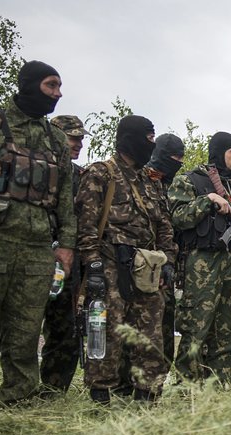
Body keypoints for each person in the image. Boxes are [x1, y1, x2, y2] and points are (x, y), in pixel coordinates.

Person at [0, 60, 75, 413]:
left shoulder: (55, 139)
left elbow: (64, 198)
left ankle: (18, 401)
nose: (58, 94)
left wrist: (66, 244)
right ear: (30, 85)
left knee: (24, 332)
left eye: (59, 87)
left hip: (37, 248)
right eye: (52, 86)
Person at [76, 115, 176, 404]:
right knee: (106, 334)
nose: (152, 144)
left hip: (146, 268)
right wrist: (92, 266)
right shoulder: (101, 173)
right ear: (130, 138)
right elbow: (86, 225)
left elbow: (164, 225)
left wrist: (168, 261)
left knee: (150, 337)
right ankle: (102, 398)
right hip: (108, 264)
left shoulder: (151, 181)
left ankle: (147, 397)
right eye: (148, 138)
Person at [168, 132, 231, 383]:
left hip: (230, 263)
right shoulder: (188, 180)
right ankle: (186, 387)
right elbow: (177, 217)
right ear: (219, 152)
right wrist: (208, 200)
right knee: (196, 327)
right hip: (201, 264)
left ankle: (224, 385)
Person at [39, 114, 90, 394]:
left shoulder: (80, 176)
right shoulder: (41, 168)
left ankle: (53, 390)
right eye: (73, 138)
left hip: (69, 263)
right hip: (35, 253)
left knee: (67, 329)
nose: (78, 144)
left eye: (81, 139)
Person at [144, 133, 185, 367]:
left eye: (181, 159)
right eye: (174, 157)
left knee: (165, 327)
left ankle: (159, 375)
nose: (178, 163)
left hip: (165, 268)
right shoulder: (142, 180)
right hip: (138, 264)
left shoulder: (173, 187)